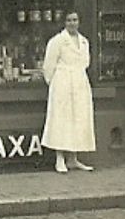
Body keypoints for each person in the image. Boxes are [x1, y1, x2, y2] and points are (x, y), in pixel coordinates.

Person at [40, 12, 96, 173]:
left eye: (75, 20)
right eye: (69, 20)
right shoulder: (57, 41)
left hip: (79, 81)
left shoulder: (84, 41)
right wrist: (56, 83)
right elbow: (48, 66)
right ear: (64, 22)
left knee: (79, 118)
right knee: (62, 119)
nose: (72, 23)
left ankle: (73, 158)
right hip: (62, 82)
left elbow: (86, 63)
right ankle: (60, 159)